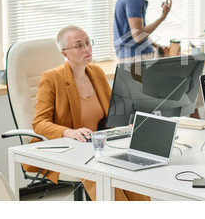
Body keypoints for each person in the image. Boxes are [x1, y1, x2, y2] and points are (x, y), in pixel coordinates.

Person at [25, 25, 150, 201]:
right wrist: (69, 132)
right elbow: (39, 123)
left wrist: (125, 125)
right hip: (67, 148)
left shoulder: (96, 72)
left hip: (97, 146)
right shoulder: (51, 78)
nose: (86, 49)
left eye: (88, 42)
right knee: (103, 177)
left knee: (132, 176)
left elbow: (111, 113)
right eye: (78, 45)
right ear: (64, 53)